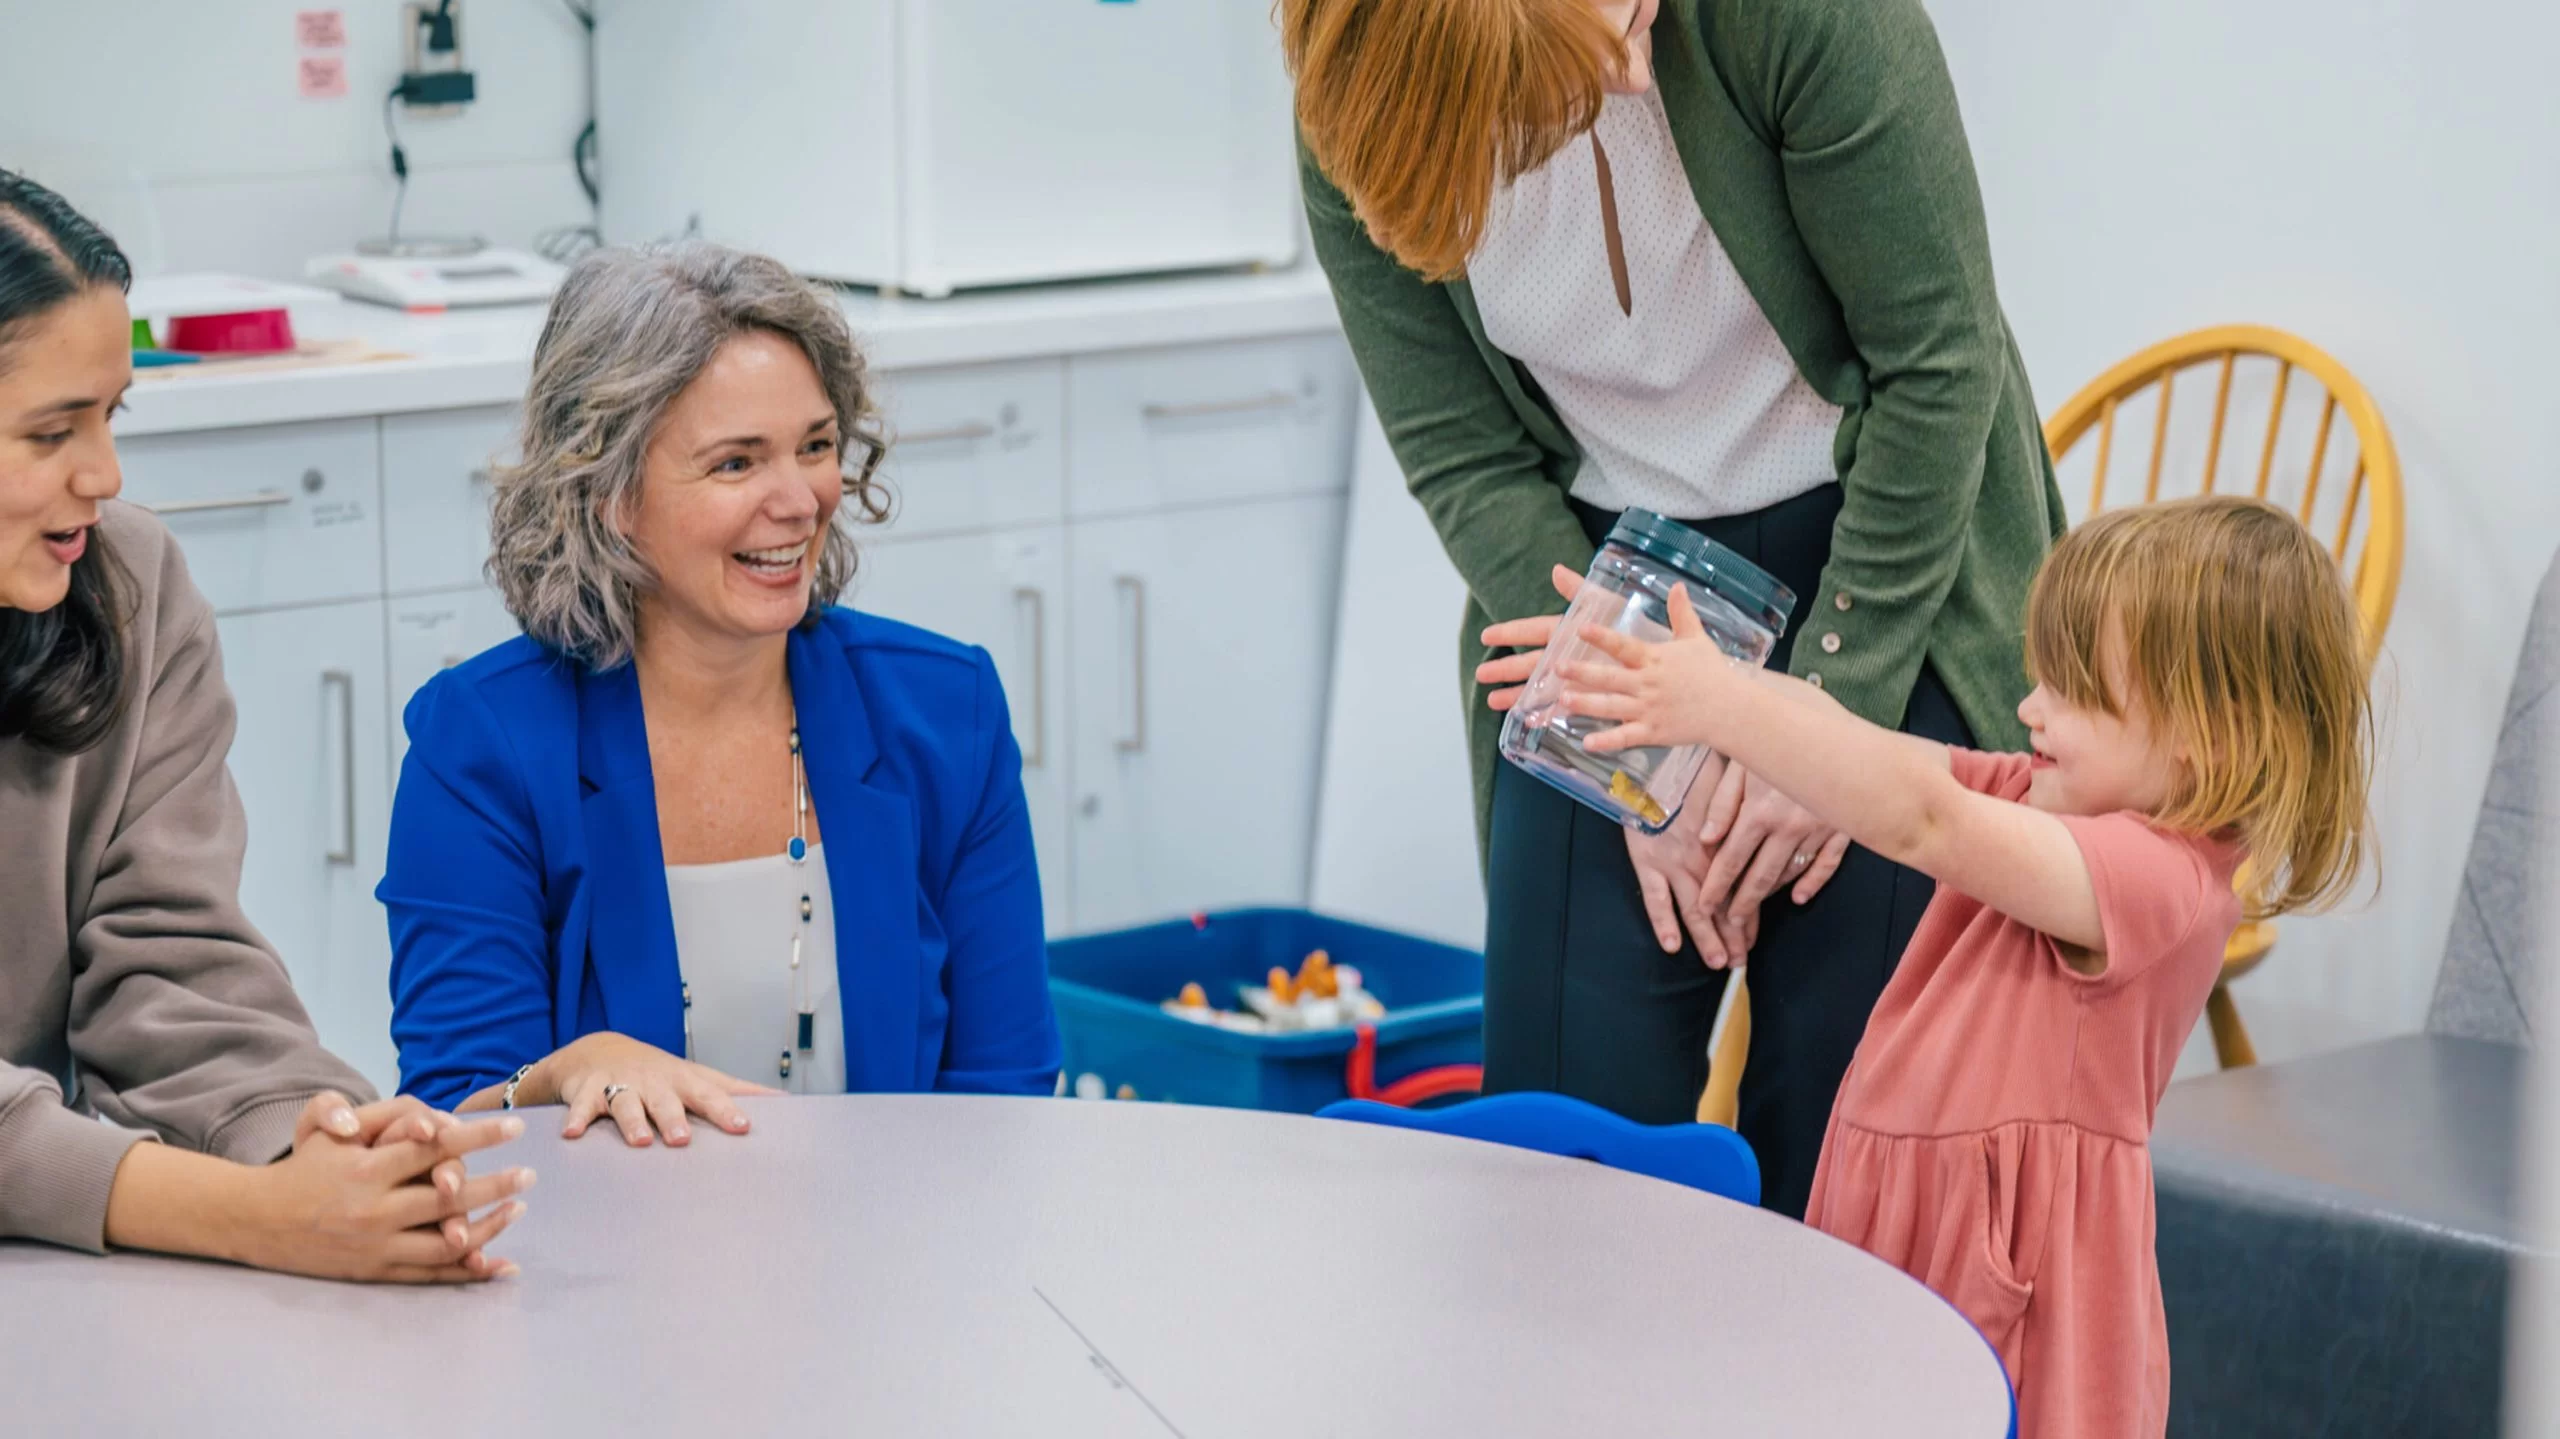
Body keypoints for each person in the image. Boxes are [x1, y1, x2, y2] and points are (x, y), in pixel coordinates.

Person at [1279, 0, 2064, 1213]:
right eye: (1596, 43)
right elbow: (1465, 455)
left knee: (1848, 1131)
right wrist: (1638, 738)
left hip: (1878, 557)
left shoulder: (1799, 18)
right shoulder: (1367, 114)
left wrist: (1816, 724)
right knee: (1565, 1151)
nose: (1643, 53)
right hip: (1597, 591)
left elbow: (1936, 363)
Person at [1501, 495, 2373, 1436]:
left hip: (2011, 1274)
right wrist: (1660, 672)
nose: (2030, 706)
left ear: (2211, 733)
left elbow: (1921, 815)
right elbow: (1868, 752)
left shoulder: (2161, 883)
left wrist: (1722, 702)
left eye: (2074, 690)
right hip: (1905, 1219)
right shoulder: (2042, 794)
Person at [382, 243, 1062, 1144]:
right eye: (737, 463)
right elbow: (450, 1118)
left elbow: (1006, 1103)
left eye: (815, 447)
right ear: (610, 494)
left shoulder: (947, 714)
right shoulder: (484, 747)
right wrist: (561, 1075)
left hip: (906, 1257)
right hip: (600, 1273)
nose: (800, 500)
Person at [0, 168, 530, 1280]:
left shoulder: (128, 583)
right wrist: (246, 1213)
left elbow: (171, 958)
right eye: (52, 431)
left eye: (111, 415)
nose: (105, 475)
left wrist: (314, 1135)